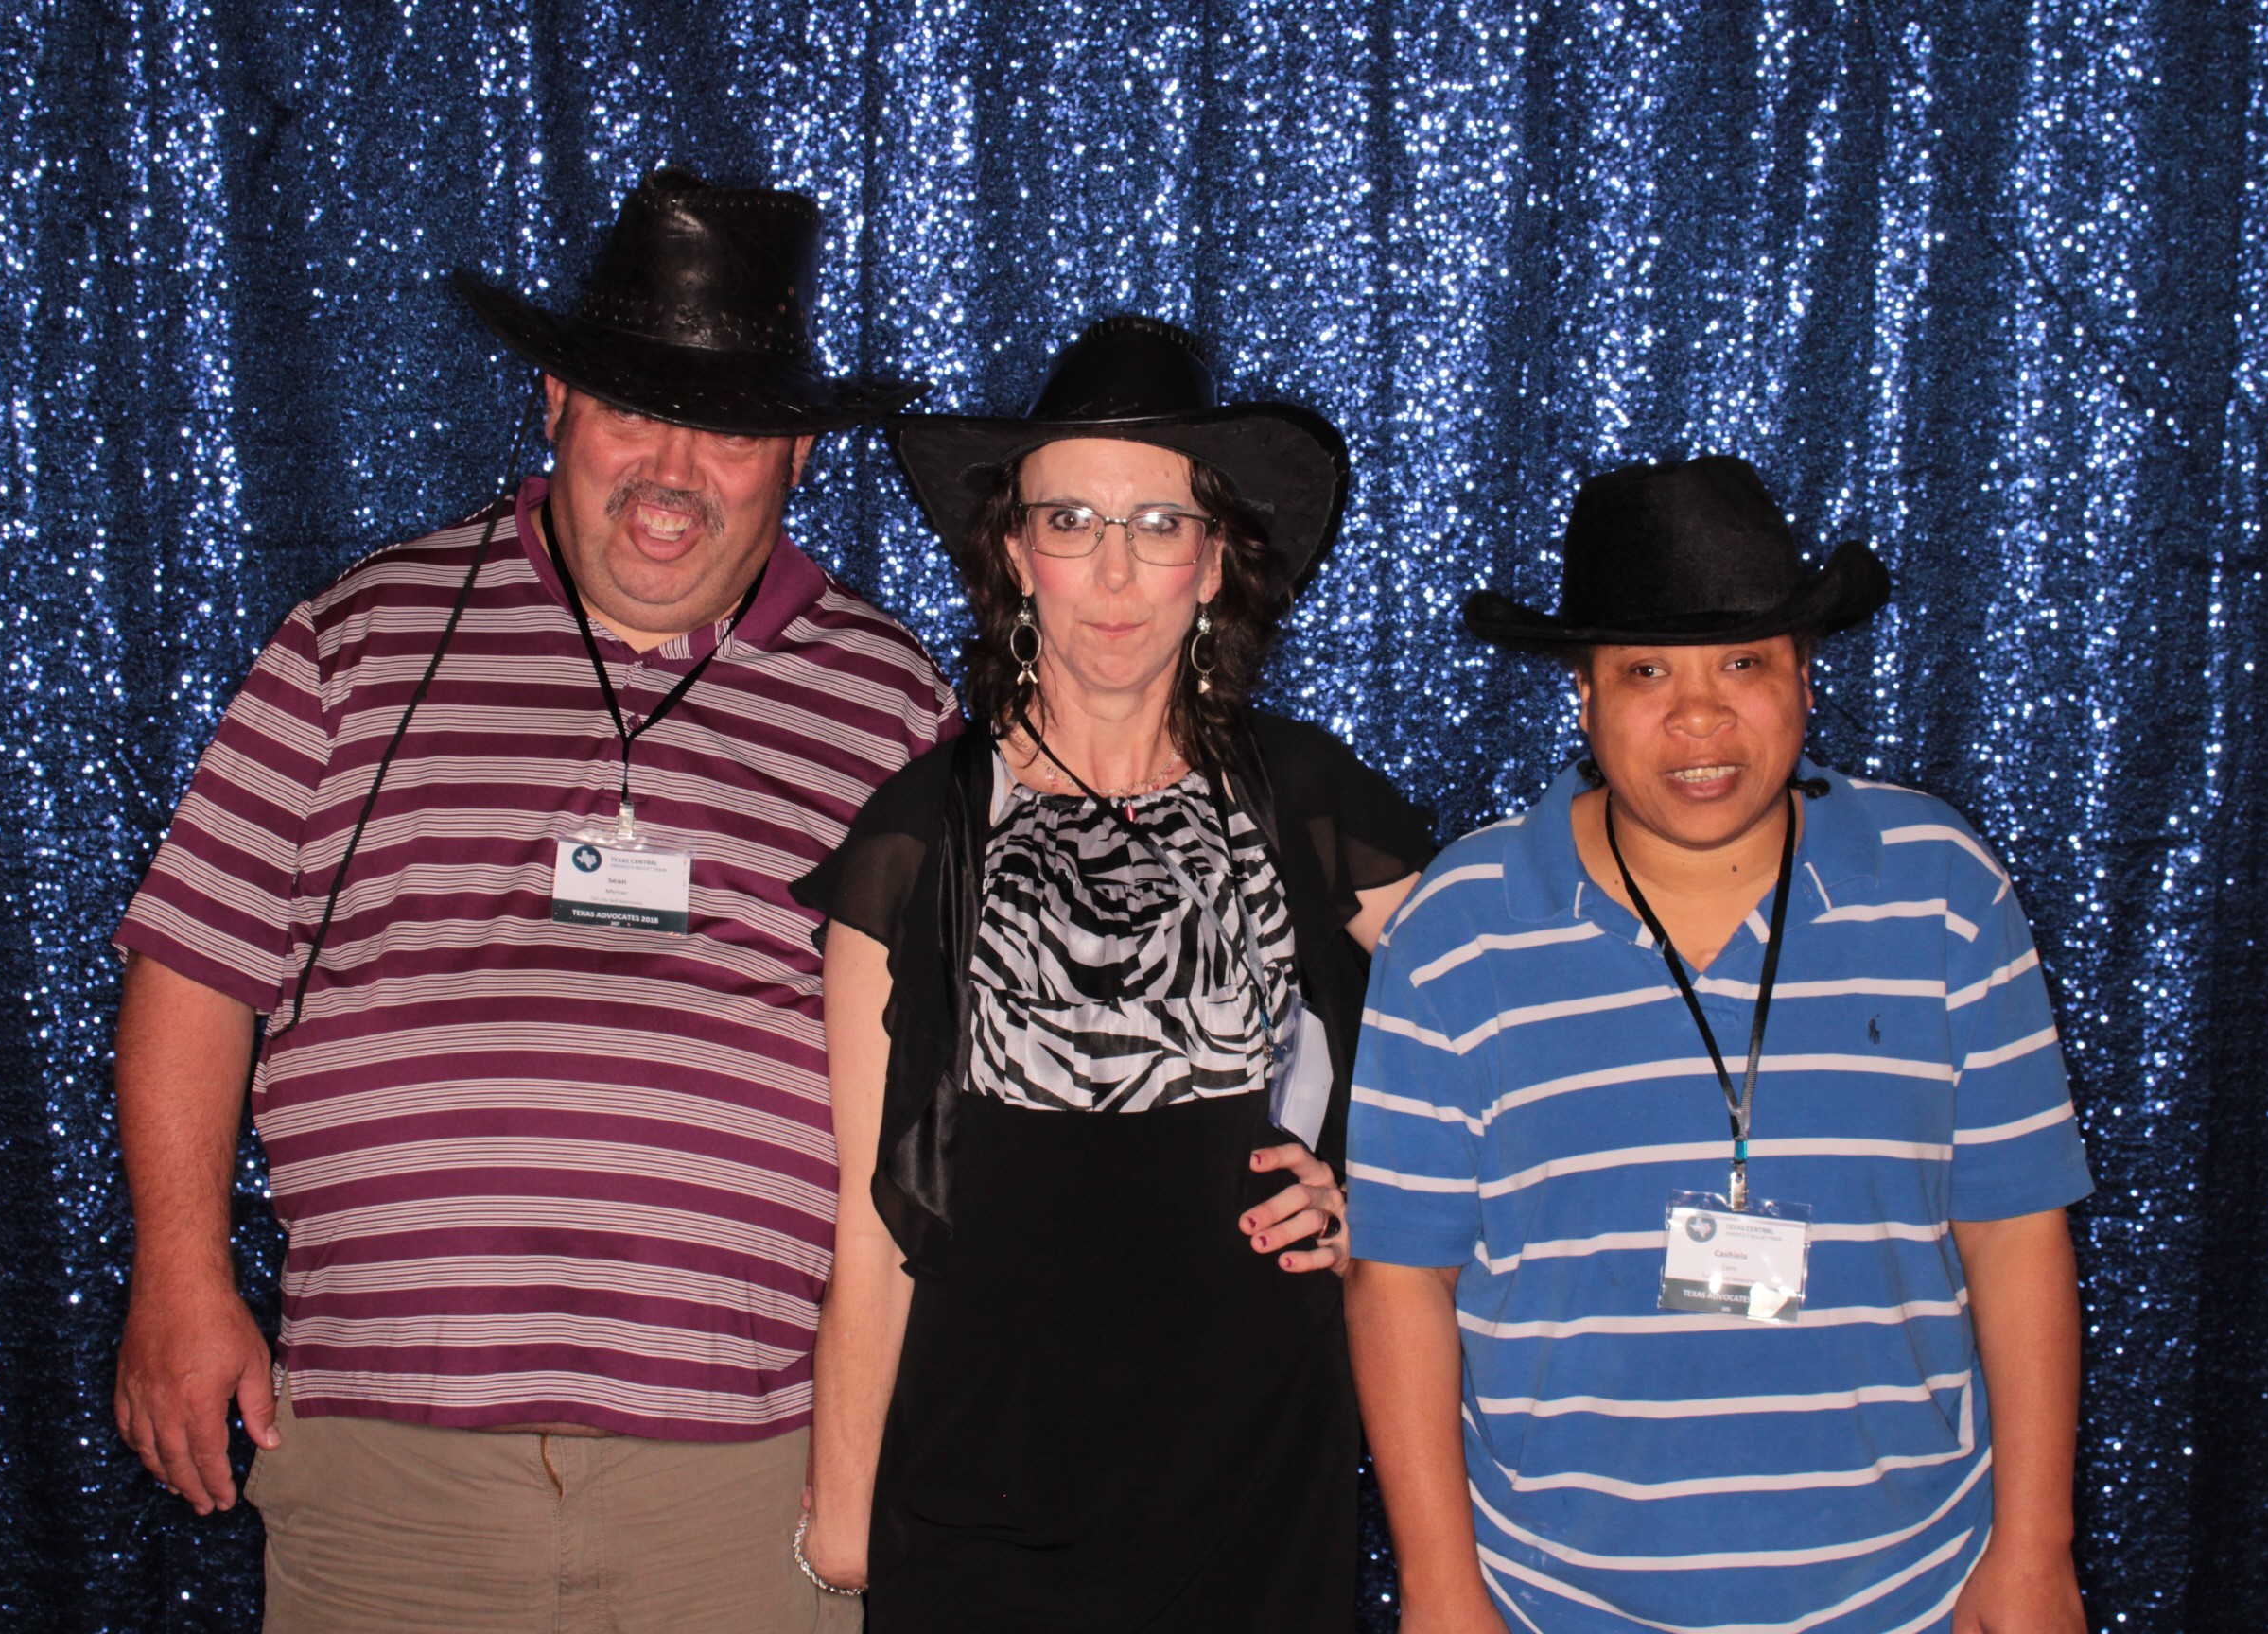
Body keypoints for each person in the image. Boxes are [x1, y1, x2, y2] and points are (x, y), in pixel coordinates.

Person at [109, 166, 950, 1632]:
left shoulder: (891, 705)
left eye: (730, 431)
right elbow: (195, 962)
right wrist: (179, 1275)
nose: (674, 471)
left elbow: (962, 1075)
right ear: (554, 400)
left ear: (799, 452)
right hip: (387, 1462)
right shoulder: (355, 639)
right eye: (633, 410)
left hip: (751, 1469)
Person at [1344, 457, 2092, 1634]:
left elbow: (2015, 1231)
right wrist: (1441, 1588)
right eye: (1646, 671)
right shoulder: (1456, 930)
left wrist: (2036, 1549)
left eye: (1743, 663)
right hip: (1555, 1597)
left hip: (1909, 1587)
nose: (1699, 717)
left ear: (1805, 677)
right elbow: (1400, 1278)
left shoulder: (1944, 891)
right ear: (1583, 696)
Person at [793, 314, 1438, 1632]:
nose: (1115, 569)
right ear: (1014, 552)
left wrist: (1385, 1206)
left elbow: (1513, 1050)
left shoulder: (1309, 799)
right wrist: (844, 1513)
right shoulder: (918, 836)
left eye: (1159, 524)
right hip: (985, 1480)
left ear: (1215, 560)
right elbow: (874, 1223)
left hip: (1255, 1482)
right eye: (1071, 521)